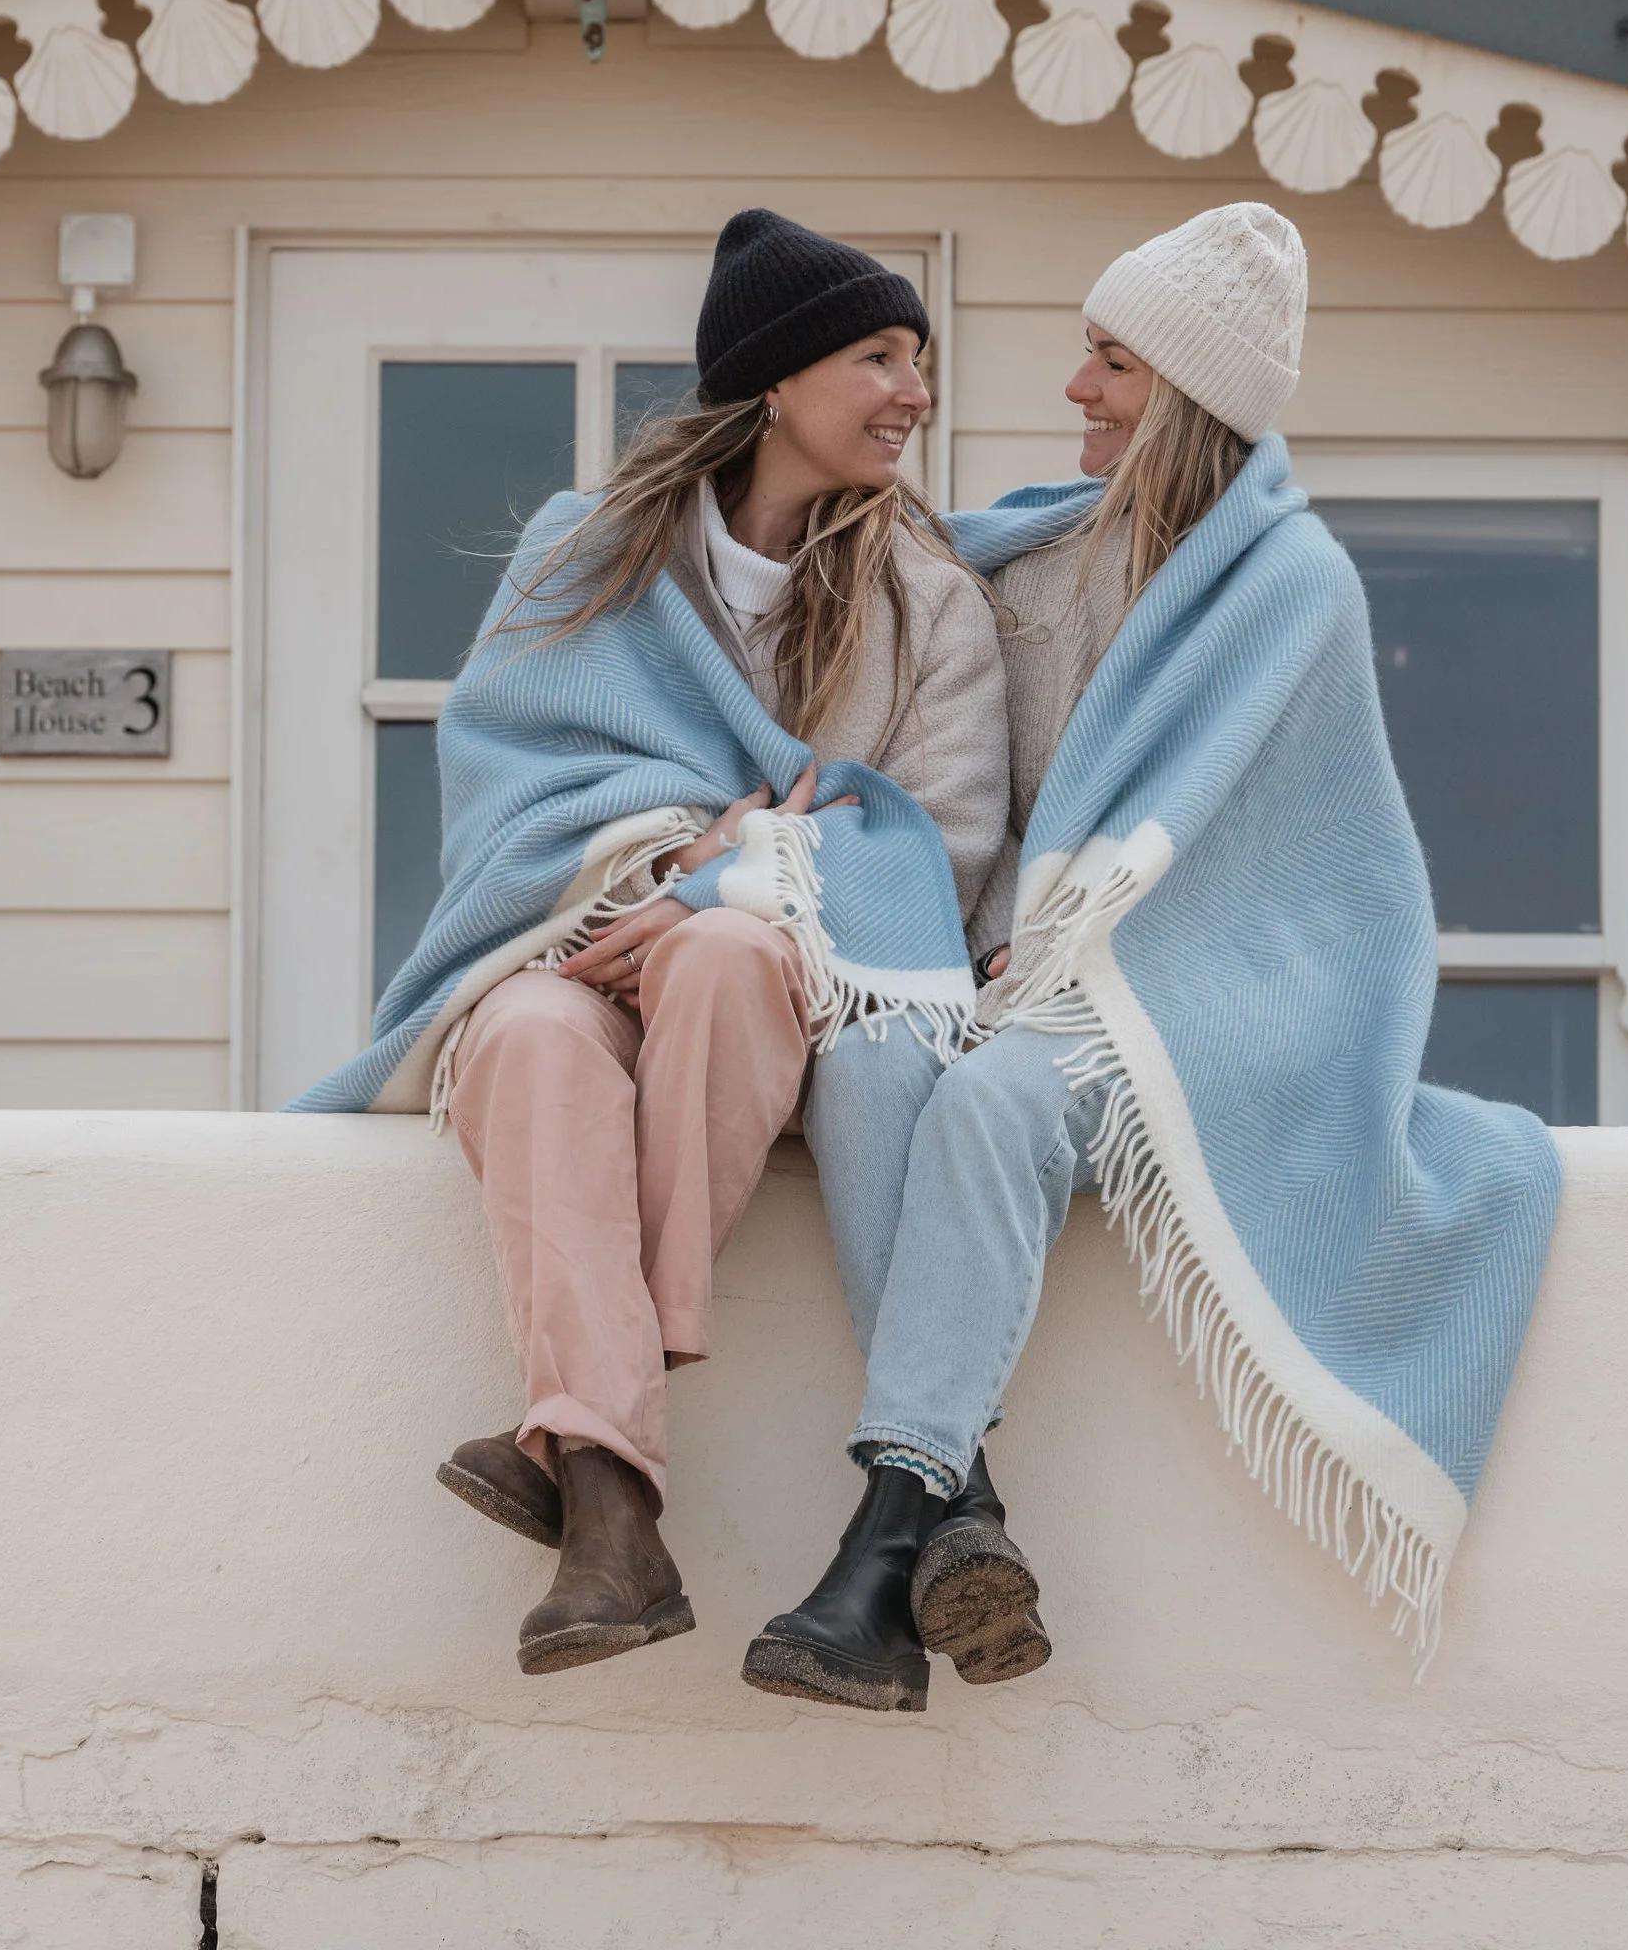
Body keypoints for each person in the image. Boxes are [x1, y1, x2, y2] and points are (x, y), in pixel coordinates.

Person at [745, 202, 1561, 1713]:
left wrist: (1050, 969)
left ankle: (879, 1539)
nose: (1078, 390)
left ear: (1184, 392)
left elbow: (1283, 876)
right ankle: (953, 1517)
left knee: (997, 1102)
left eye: (1112, 364)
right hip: (1010, 972)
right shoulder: (1027, 557)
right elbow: (950, 789)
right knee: (874, 1065)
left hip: (1207, 996)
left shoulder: (1295, 591)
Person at [292, 208, 1005, 1678]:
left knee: (733, 959)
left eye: (919, 360)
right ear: (778, 376)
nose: (913, 392)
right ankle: (616, 1510)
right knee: (538, 1042)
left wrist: (748, 869)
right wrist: (649, 859)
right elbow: (502, 775)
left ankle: (581, 1447)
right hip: (573, 946)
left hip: (763, 984)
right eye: (879, 355)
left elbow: (941, 844)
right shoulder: (594, 551)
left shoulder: (923, 600)